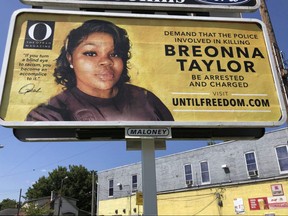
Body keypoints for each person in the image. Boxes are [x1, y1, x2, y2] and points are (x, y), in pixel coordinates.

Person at [26, 19, 174, 121]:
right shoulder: (48, 115)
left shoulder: (145, 98)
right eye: (91, 53)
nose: (106, 61)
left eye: (115, 54)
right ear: (70, 59)